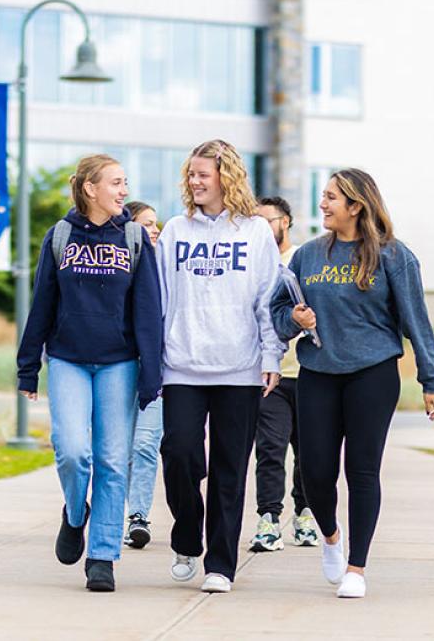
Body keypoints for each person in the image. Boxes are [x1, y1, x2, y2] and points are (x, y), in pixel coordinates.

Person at [271, 168, 434, 599]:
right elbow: (278, 312)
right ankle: (331, 537)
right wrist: (294, 319)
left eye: (331, 197)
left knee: (362, 470)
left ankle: (356, 568)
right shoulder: (307, 256)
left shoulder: (392, 256)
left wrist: (430, 379)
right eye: (324, 196)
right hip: (318, 373)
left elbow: (415, 321)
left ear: (356, 205)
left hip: (373, 373)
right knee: (314, 471)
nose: (323, 204)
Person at [16, 154, 162, 592]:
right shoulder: (60, 236)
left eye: (125, 183)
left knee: (114, 461)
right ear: (90, 189)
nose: (123, 191)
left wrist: (151, 373)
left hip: (119, 361)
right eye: (116, 183)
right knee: (73, 450)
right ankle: (75, 513)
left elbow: (148, 311)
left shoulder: (134, 238)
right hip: (68, 359)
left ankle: (102, 556)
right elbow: (42, 302)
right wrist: (27, 368)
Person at [156, 139, 284, 594]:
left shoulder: (254, 233)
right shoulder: (174, 231)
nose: (193, 181)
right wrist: (154, 359)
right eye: (190, 174)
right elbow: (161, 298)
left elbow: (269, 300)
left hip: (240, 369)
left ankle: (221, 565)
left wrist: (272, 357)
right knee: (179, 455)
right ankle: (187, 534)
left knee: (231, 468)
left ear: (225, 177)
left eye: (202, 174)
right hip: (182, 366)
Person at [249, 196, 317, 552]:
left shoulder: (304, 259)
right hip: (268, 376)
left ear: (285, 221)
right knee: (271, 449)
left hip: (307, 372)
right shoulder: (254, 262)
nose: (261, 227)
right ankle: (269, 519)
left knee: (308, 452)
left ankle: (305, 513)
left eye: (267, 220)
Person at [122, 200, 164, 549]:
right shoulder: (117, 265)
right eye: (147, 224)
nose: (155, 230)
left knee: (146, 443)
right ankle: (109, 510)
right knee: (117, 449)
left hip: (158, 369)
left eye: (156, 224)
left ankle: (138, 516)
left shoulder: (168, 265)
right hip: (118, 367)